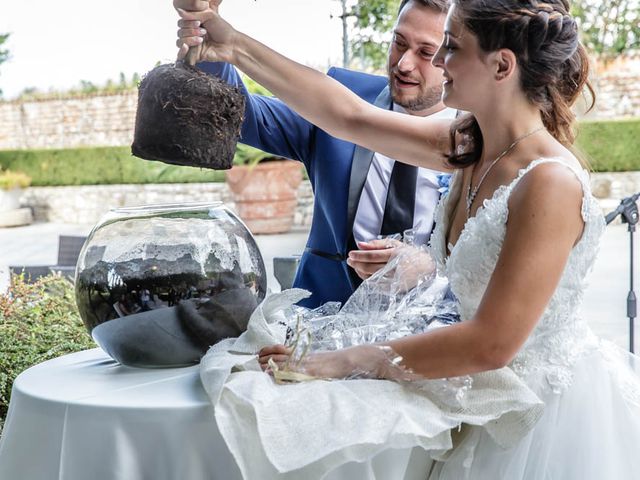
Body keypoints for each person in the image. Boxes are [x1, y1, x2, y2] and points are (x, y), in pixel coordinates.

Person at [176, 0, 640, 478]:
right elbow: (349, 117)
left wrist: (346, 362)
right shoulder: (470, 144)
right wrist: (232, 44)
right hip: (471, 390)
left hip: (537, 417)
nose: (438, 63)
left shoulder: (549, 183)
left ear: (501, 65)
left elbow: (492, 344)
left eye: (451, 48)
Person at [186, 0, 455, 308]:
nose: (404, 64)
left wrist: (431, 271)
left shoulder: (483, 138)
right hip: (321, 324)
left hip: (439, 337)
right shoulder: (340, 101)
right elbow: (244, 116)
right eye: (399, 42)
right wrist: (208, 35)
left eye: (426, 53)